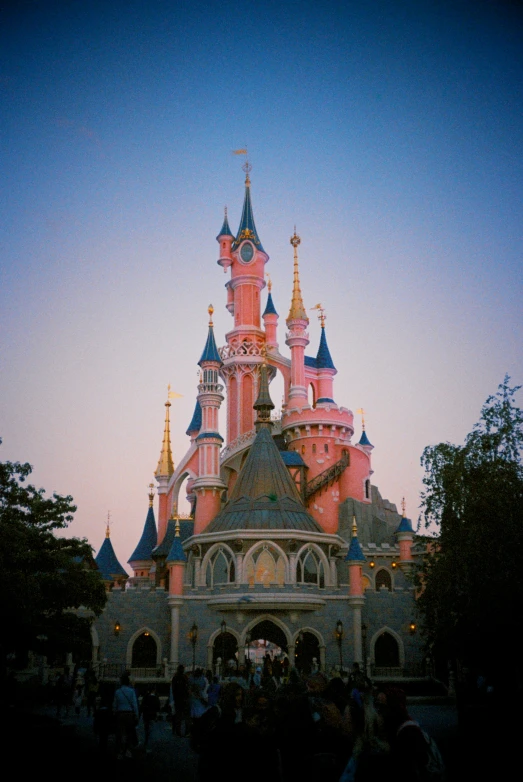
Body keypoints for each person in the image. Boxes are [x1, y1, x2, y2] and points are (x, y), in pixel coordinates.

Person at [112, 671, 139, 760]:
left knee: (120, 733)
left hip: (120, 714)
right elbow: (134, 704)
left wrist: (114, 713)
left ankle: (120, 751)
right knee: (129, 733)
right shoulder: (131, 691)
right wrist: (137, 715)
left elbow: (114, 704)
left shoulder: (117, 692)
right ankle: (128, 750)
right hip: (129, 714)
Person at [170, 664, 191, 737]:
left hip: (178, 700)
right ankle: (187, 731)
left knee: (178, 716)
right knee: (187, 717)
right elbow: (188, 688)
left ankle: (178, 731)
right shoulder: (185, 677)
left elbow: (173, 689)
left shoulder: (175, 678)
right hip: (185, 699)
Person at [140, 685, 161, 753]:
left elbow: (142, 706)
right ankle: (148, 745)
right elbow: (158, 707)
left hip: (146, 715)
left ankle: (146, 742)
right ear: (154, 690)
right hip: (152, 715)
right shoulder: (156, 698)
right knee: (151, 731)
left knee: (146, 730)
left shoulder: (146, 697)